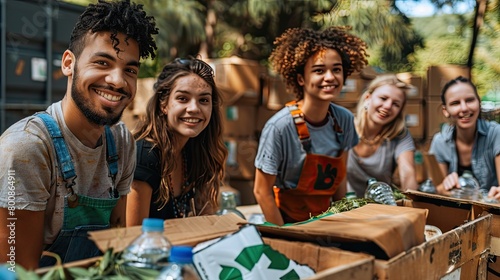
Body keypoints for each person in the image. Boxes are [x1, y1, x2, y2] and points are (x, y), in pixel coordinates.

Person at [0, 0, 158, 269]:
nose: (118, 81)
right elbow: (15, 268)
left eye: (129, 70)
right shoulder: (27, 148)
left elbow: (115, 242)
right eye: (102, 62)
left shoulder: (121, 142)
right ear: (68, 63)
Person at [253, 26, 369, 226]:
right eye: (319, 70)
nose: (330, 77)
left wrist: (341, 224)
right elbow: (261, 191)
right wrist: (286, 236)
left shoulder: (345, 120)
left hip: (327, 222)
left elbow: (340, 181)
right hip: (288, 223)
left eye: (337, 69)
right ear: (301, 79)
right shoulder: (279, 127)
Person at [126, 57, 227, 225]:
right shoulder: (145, 156)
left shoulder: (198, 152)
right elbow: (134, 238)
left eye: (203, 100)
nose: (194, 108)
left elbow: (208, 222)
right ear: (163, 104)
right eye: (182, 98)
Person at [347, 74, 418, 197]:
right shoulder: (345, 126)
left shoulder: (400, 136)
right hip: (342, 208)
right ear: (368, 98)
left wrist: (415, 208)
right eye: (383, 98)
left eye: (396, 104)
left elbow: (407, 173)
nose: (387, 106)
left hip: (380, 208)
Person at [429, 76, 500, 197]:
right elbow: (437, 190)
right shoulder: (439, 142)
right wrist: (445, 187)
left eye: (469, 100)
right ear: (445, 110)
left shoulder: (496, 134)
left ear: (479, 102)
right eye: (455, 103)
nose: (464, 108)